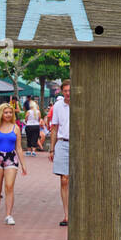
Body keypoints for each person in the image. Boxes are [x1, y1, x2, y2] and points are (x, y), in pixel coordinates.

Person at [49, 79, 71, 225]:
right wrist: (52, 148)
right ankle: (67, 215)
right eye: (65, 91)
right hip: (63, 143)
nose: (68, 94)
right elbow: (54, 128)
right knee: (64, 179)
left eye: (70, 90)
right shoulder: (58, 106)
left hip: (79, 144)